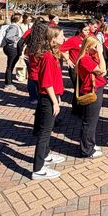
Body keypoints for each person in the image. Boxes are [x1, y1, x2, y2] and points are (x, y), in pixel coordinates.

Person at [30, 25, 67, 180]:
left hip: (51, 97)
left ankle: (44, 158)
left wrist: (57, 97)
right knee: (44, 133)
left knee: (46, 131)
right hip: (47, 99)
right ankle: (38, 169)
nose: (64, 38)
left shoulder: (53, 54)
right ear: (53, 38)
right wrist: (54, 102)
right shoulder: (47, 57)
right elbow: (46, 82)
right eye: (61, 36)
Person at [74, 35, 106, 158]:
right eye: (95, 46)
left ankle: (90, 144)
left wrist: (97, 53)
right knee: (89, 121)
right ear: (87, 47)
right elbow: (102, 71)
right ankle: (86, 150)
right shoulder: (85, 59)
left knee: (93, 120)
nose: (97, 49)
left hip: (95, 89)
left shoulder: (90, 57)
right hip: (91, 91)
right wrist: (101, 53)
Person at [25, 20, 49, 106]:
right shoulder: (42, 45)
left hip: (33, 69)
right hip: (39, 72)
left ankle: (33, 98)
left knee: (32, 82)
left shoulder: (33, 41)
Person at [2, 14, 23, 90]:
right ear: (18, 19)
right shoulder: (14, 26)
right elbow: (9, 37)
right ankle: (8, 83)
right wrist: (19, 38)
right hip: (11, 48)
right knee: (10, 66)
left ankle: (9, 81)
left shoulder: (16, 26)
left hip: (13, 48)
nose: (22, 19)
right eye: (21, 18)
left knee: (11, 66)